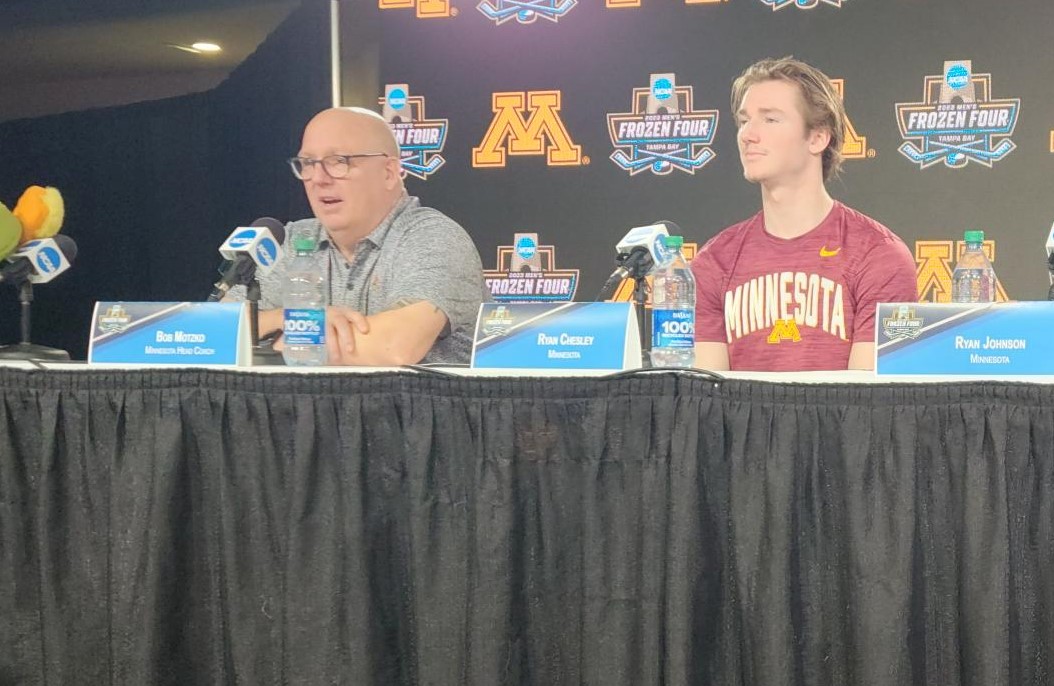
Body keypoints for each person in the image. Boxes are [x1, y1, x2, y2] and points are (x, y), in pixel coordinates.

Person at [691, 57, 918, 371]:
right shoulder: (713, 261)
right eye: (744, 120)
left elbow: (870, 405)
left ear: (817, 138)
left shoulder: (880, 256)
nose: (747, 135)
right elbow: (704, 403)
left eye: (770, 119)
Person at [228, 107, 488, 365]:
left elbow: (394, 347)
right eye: (308, 163)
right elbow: (211, 334)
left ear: (388, 172)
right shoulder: (294, 239)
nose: (318, 178)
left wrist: (289, 338)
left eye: (339, 161)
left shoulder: (434, 237)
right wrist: (283, 318)